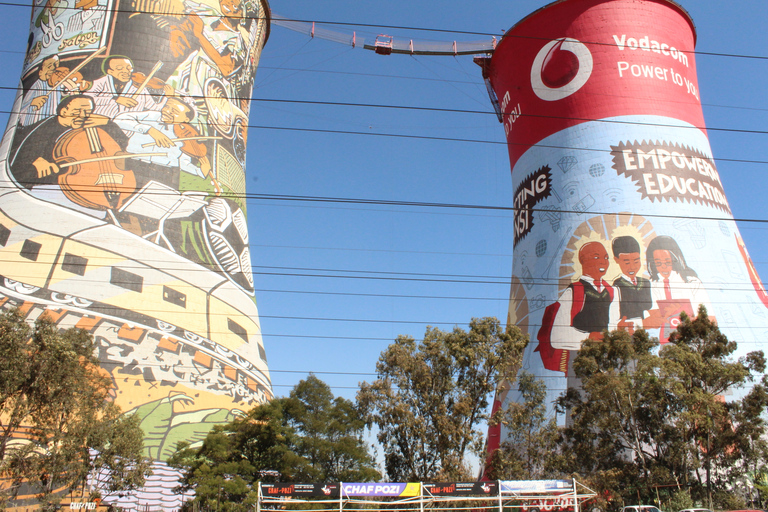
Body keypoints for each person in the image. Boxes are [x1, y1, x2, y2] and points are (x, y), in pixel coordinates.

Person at [113, 97, 217, 191]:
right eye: (167, 106)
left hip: (164, 173)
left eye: (174, 111)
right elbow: (119, 118)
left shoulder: (185, 134)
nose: (167, 111)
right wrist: (149, 130)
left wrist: (199, 171)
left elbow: (183, 161)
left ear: (185, 120)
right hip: (133, 163)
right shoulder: (152, 115)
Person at [549, 241, 631, 350]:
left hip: (606, 356)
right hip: (580, 359)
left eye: (606, 258)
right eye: (596, 258)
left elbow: (611, 325)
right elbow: (556, 336)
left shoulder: (613, 291)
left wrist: (619, 329)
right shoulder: (573, 291)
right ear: (582, 260)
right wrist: (588, 337)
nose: (603, 262)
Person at [643, 235, 712, 332]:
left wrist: (680, 313)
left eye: (667, 262)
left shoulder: (692, 283)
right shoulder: (653, 285)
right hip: (667, 337)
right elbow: (653, 317)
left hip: (692, 334)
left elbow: (709, 316)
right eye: (658, 263)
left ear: (676, 259)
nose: (663, 267)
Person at [86, 55, 166, 119]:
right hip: (102, 128)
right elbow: (86, 100)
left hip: (128, 131)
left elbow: (154, 108)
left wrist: (167, 96)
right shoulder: (101, 82)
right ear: (110, 71)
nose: (125, 72)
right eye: (119, 69)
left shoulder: (138, 87)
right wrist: (115, 99)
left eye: (128, 68)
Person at [611, 235, 653, 328]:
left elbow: (649, 307)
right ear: (616, 260)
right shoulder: (617, 286)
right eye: (627, 263)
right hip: (627, 331)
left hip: (645, 332)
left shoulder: (646, 283)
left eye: (636, 261)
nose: (632, 267)